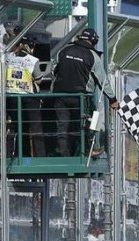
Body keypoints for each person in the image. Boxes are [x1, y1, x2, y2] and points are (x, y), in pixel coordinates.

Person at [51, 27, 119, 157]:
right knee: (92, 119)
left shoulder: (63, 51)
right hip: (81, 97)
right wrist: (113, 99)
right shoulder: (92, 56)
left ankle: (63, 153)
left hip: (59, 96)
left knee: (62, 125)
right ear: (93, 42)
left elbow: (55, 71)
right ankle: (89, 148)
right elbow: (103, 81)